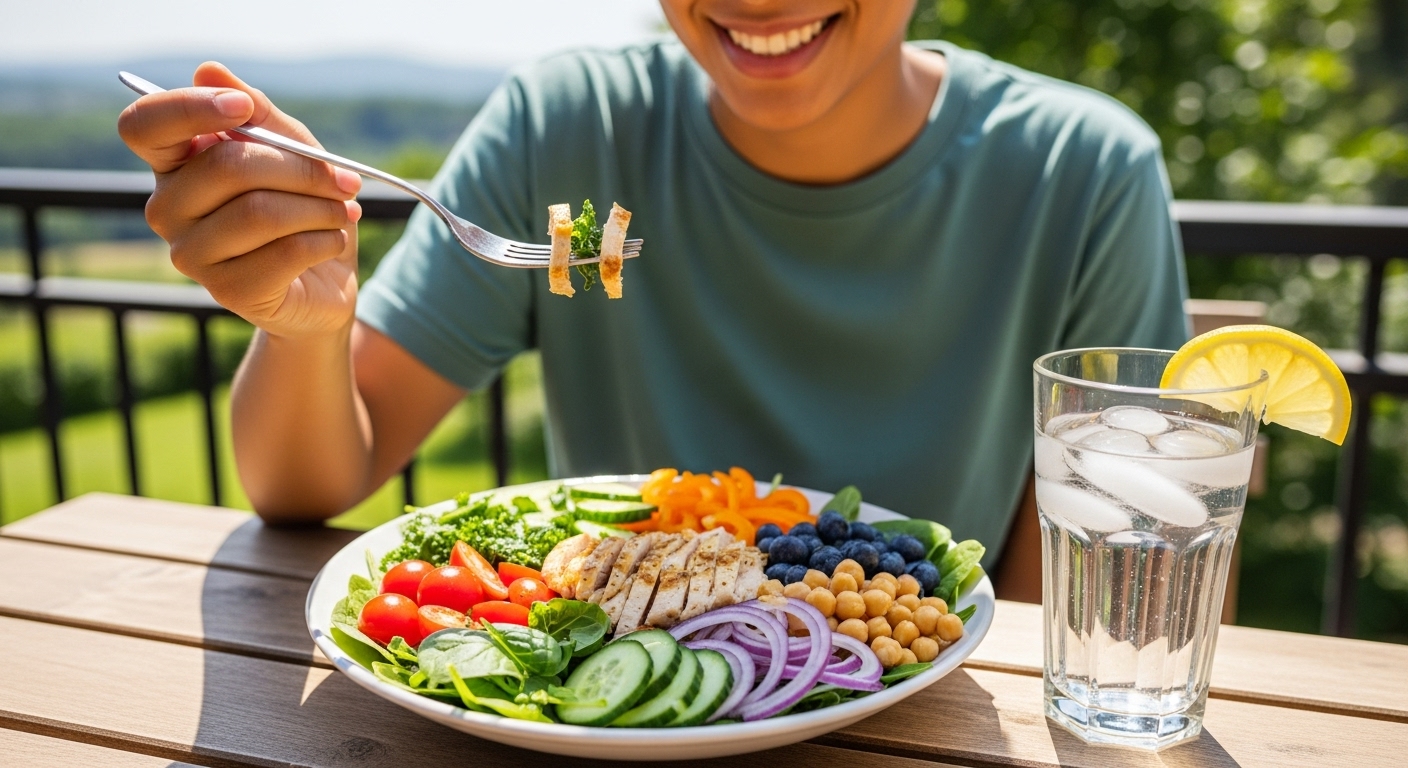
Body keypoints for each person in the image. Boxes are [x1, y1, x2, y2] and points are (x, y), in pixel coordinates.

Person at [116, 1, 1187, 602]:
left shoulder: (1079, 174)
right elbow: (308, 483)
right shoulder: (565, 124)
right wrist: (307, 327)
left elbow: (1101, 603)